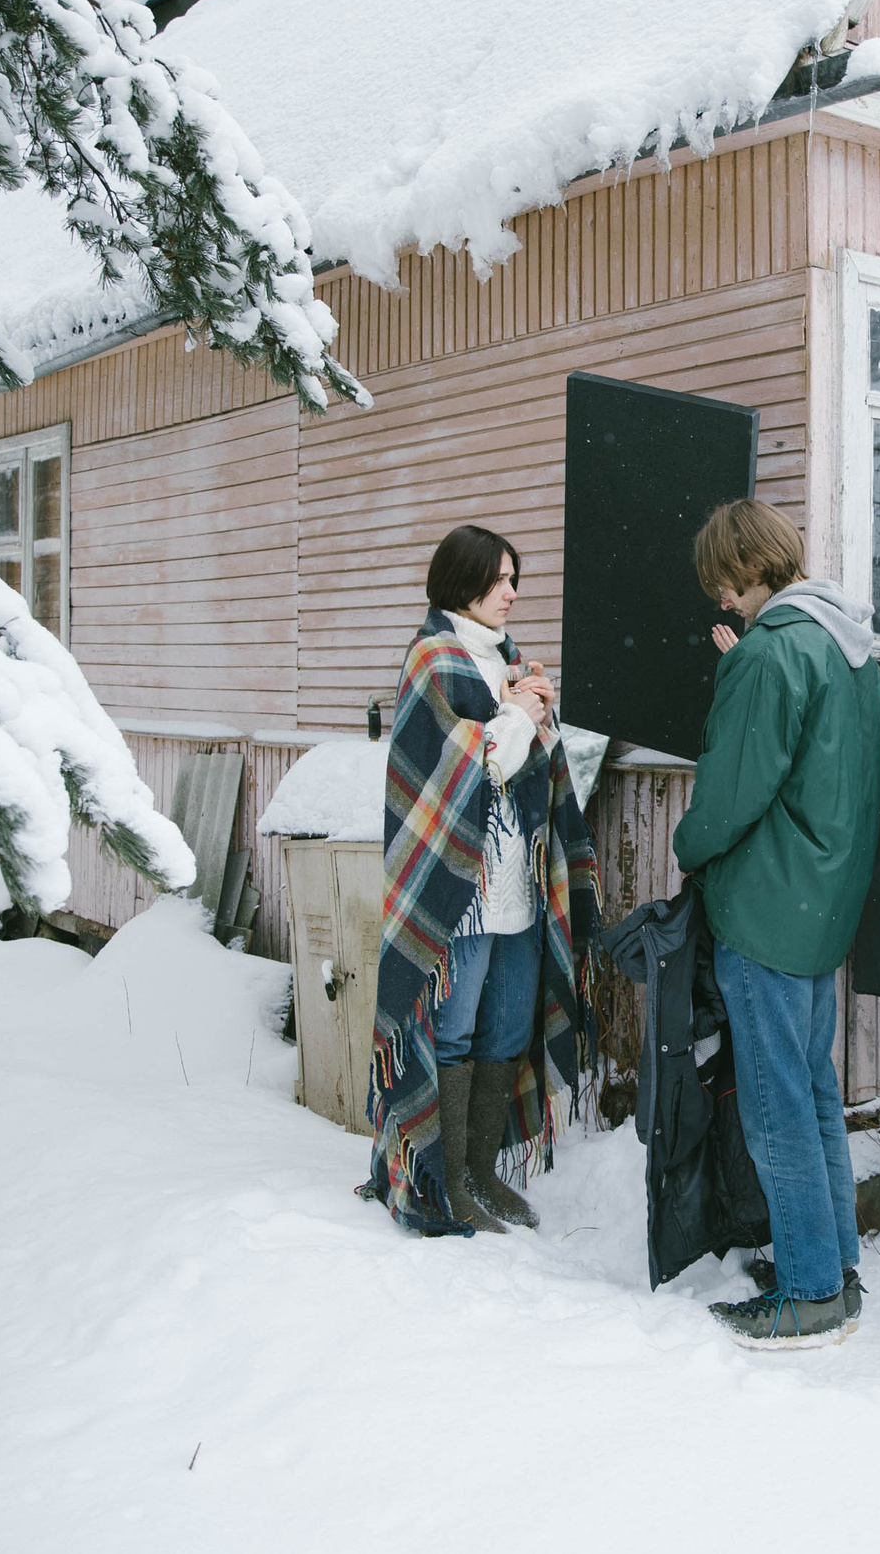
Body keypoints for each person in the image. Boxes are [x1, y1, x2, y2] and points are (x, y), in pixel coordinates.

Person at [673, 500, 880, 1347]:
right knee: (813, 1090)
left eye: (723, 583)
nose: (721, 601)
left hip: (767, 904)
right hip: (824, 900)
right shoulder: (845, 642)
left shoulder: (771, 653)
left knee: (774, 1106)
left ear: (748, 566)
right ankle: (833, 1266)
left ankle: (806, 1289)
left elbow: (732, 792)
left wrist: (691, 850)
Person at [367, 525, 598, 1236]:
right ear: (460, 581)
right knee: (455, 1032)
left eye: (514, 578)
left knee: (506, 1028)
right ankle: (443, 1179)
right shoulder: (434, 658)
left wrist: (537, 712)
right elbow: (468, 765)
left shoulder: (509, 659)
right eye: (498, 578)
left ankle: (481, 1172)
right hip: (457, 892)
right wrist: (518, 716)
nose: (512, 592)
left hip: (519, 884)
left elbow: (530, 763)